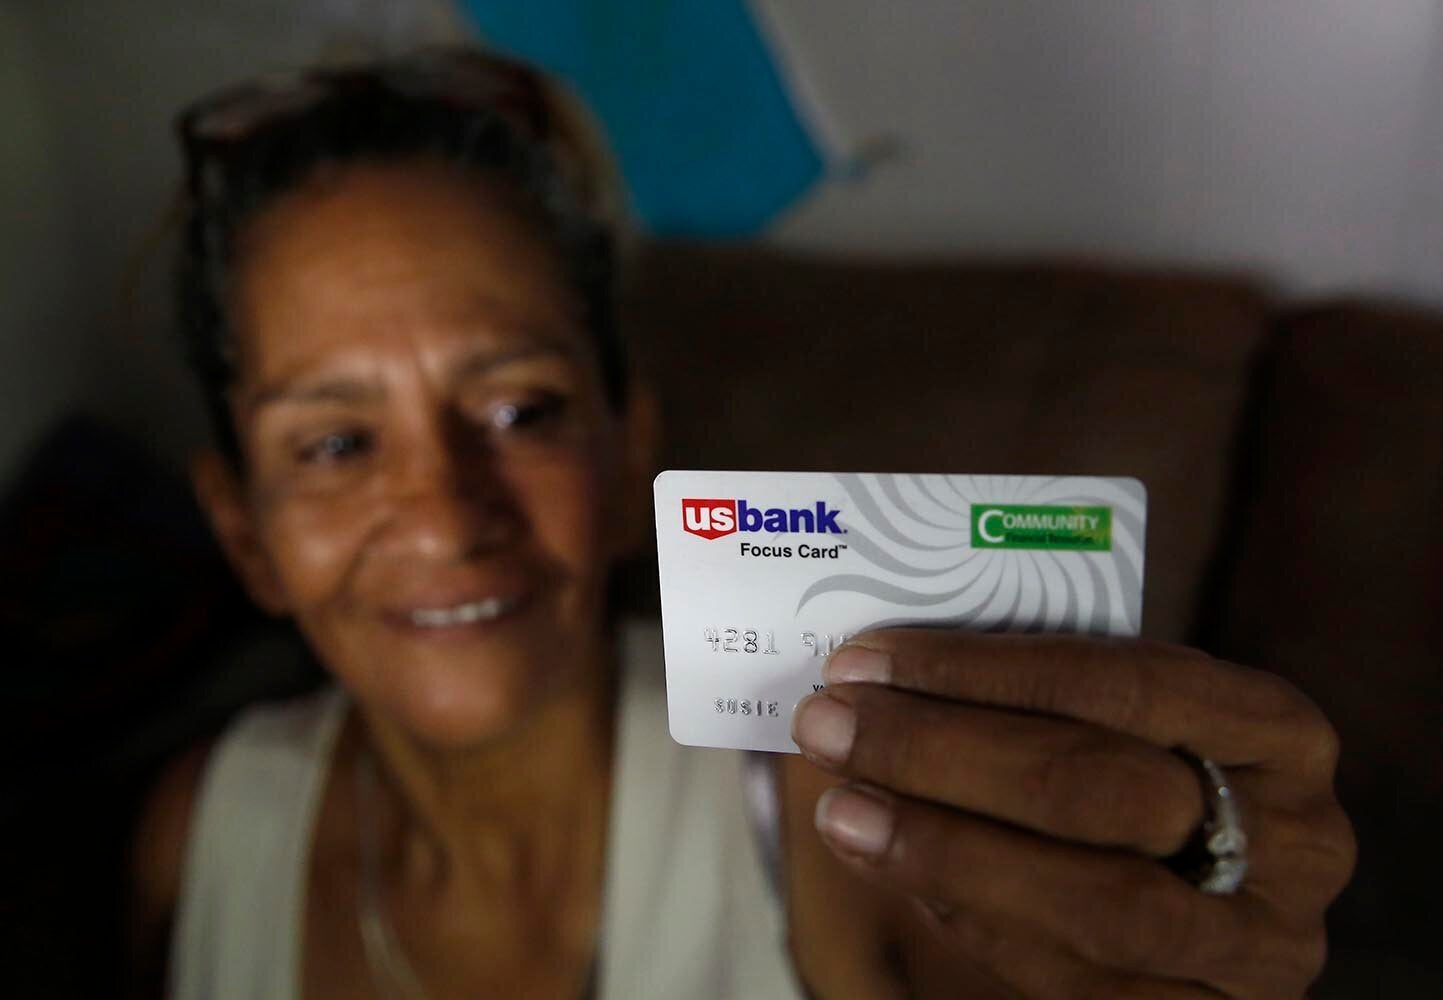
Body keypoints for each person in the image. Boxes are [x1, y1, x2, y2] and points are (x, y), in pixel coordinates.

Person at [129, 47, 1354, 999]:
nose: (448, 516)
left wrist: (1199, 905)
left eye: (520, 410)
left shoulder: (835, 809)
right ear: (245, 534)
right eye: (337, 443)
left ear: (628, 459)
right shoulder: (203, 832)